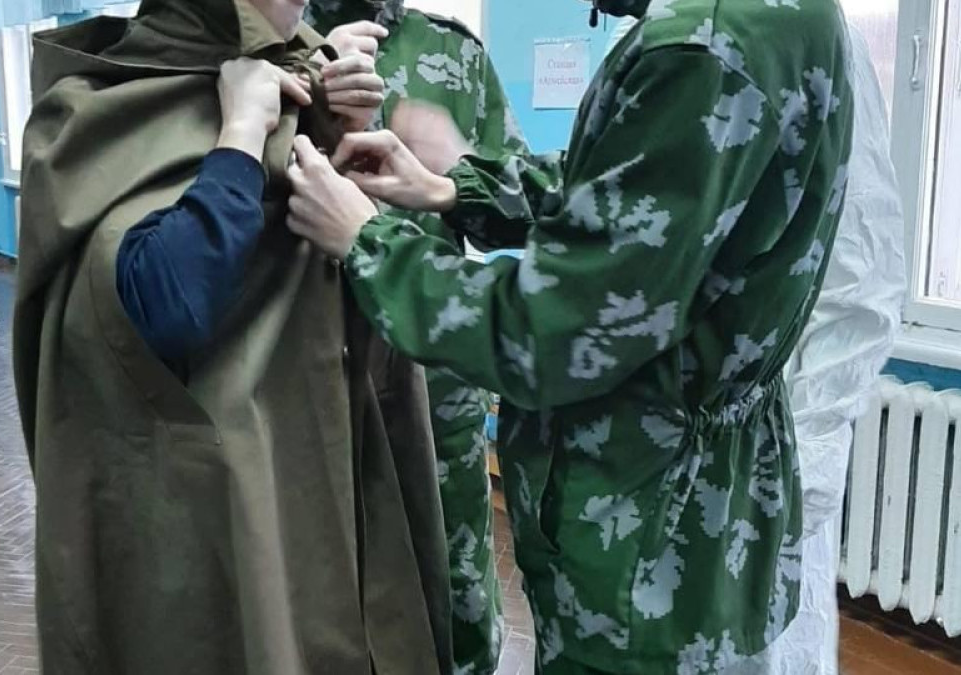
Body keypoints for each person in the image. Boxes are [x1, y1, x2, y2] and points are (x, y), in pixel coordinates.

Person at [286, 0, 855, 672]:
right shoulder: (780, 18)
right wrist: (453, 189)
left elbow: (551, 331)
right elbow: (626, 200)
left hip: (644, 543)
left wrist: (368, 240)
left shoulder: (700, 50)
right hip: (695, 521)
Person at [13, 0, 452, 672]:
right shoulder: (100, 105)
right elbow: (165, 303)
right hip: (214, 493)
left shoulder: (303, 76)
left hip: (323, 456)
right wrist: (242, 132)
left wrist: (334, 122)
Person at [308, 4, 529, 673]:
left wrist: (454, 170)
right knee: (320, 598)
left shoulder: (453, 53)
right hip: (307, 391)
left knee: (455, 599)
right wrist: (306, 93)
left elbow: (518, 214)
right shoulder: (269, 42)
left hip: (435, 395)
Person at [758, 25, 907, 675]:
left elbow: (860, 275)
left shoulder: (805, 30)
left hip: (757, 467)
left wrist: (804, 481)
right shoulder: (652, 38)